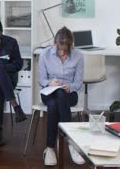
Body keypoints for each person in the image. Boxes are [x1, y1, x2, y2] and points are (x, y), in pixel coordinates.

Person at [38, 26, 85, 166]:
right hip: (48, 93)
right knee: (55, 98)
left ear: (71, 45)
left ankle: (50, 148)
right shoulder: (44, 54)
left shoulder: (78, 55)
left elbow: (78, 83)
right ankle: (71, 143)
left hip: (69, 94)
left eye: (66, 49)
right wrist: (50, 82)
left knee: (57, 99)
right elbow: (41, 80)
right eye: (60, 49)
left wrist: (68, 86)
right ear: (54, 43)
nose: (63, 52)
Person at [0, 19, 26, 146]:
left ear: (1, 33)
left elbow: (19, 64)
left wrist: (3, 67)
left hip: (9, 79)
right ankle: (16, 106)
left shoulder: (11, 42)